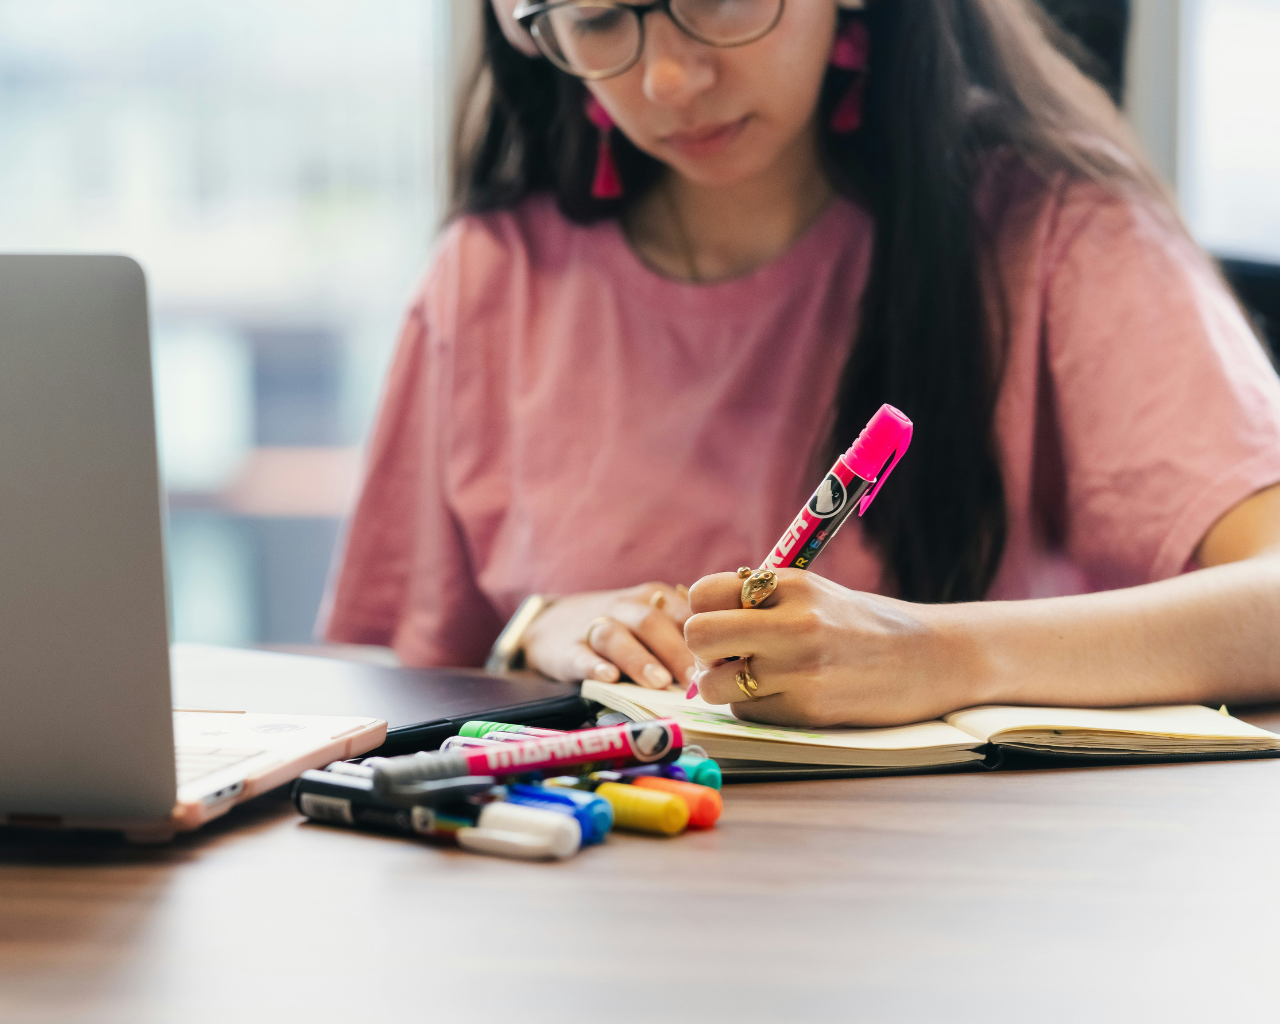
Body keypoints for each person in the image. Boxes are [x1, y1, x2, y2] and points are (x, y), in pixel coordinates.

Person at [323, 0, 1280, 728]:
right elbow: (375, 686)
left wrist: (946, 655)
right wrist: (535, 630)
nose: (666, 78)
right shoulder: (488, 276)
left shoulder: (1057, 234)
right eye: (602, 18)